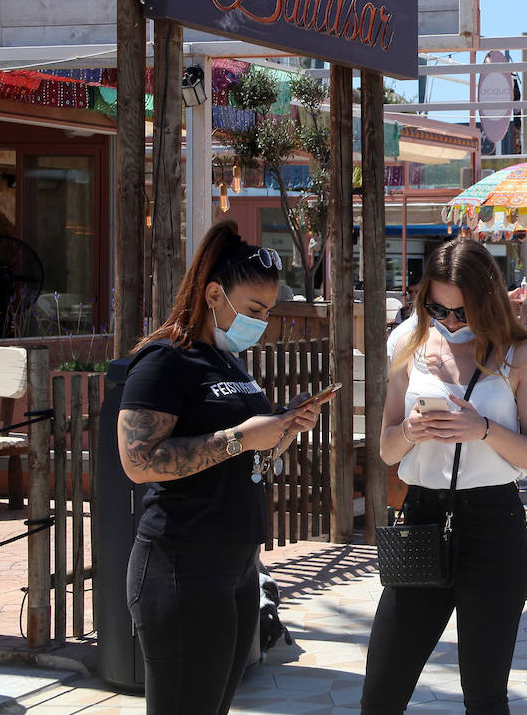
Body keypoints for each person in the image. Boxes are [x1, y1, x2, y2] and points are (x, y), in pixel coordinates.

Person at [117, 222, 331, 715]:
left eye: (268, 312)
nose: (261, 322)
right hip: (181, 563)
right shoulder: (165, 359)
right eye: (254, 310)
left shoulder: (230, 361)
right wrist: (240, 437)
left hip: (235, 567)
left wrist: (284, 429)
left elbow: (249, 458)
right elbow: (139, 461)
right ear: (215, 294)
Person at [362, 237, 527, 714]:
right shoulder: (406, 341)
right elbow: (387, 450)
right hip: (422, 517)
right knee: (382, 689)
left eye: (462, 314)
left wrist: (482, 428)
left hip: (494, 527)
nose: (449, 323)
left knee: (485, 696)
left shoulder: (522, 354)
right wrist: (410, 429)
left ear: (486, 302)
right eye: (438, 309)